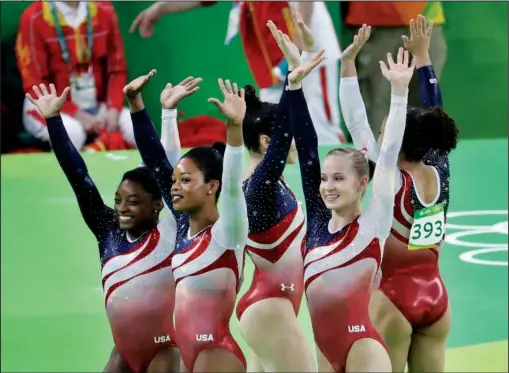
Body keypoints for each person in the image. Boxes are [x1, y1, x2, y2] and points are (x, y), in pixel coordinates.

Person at [25, 83, 183, 373]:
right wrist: (53, 121)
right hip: (121, 356)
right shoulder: (107, 230)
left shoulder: (170, 232)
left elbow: (162, 166)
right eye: (119, 200)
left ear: (157, 205)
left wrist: (139, 109)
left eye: (134, 201)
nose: (122, 208)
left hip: (163, 354)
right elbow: (78, 176)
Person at [286, 13, 415, 367]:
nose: (327, 186)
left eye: (338, 179)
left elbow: (387, 154)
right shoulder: (315, 221)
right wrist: (296, 88)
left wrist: (400, 93)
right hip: (324, 352)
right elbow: (308, 145)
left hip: (363, 348)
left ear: (362, 184)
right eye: (325, 179)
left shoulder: (375, 221)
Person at [339, 18, 458, 373]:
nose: (378, 135)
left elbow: (356, 122)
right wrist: (423, 59)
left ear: (395, 142)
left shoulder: (388, 179)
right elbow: (436, 109)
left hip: (392, 298)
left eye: (384, 132)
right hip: (436, 296)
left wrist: (348, 65)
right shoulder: (439, 167)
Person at [126, 70, 249, 372]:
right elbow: (157, 161)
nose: (175, 186)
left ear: (211, 186)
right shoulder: (183, 228)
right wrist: (142, 106)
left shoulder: (227, 232)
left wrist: (234, 127)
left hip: (216, 353)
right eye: (175, 181)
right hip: (188, 357)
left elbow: (233, 183)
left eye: (185, 180)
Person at [234, 20, 324, 373]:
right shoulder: (257, 185)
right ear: (266, 142)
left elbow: (291, 131)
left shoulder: (270, 183)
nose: (291, 147)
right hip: (269, 308)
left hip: (273, 307)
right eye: (280, 141)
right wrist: (292, 77)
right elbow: (288, 130)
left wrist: (296, 66)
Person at [129, 1, 345, 145]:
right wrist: (159, 8)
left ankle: (340, 190)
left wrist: (300, 43)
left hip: (309, 52)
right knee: (274, 134)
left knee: (321, 130)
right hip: (272, 61)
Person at [16, 1, 134, 151]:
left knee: (136, 126)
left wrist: (113, 109)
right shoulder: (33, 17)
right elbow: (35, 84)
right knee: (72, 133)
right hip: (45, 104)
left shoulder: (105, 10)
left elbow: (117, 69)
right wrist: (75, 113)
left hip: (95, 105)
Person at [341, 1, 447, 135]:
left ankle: (424, 155)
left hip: (426, 19)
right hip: (375, 21)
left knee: (426, 104)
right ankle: (375, 155)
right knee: (376, 103)